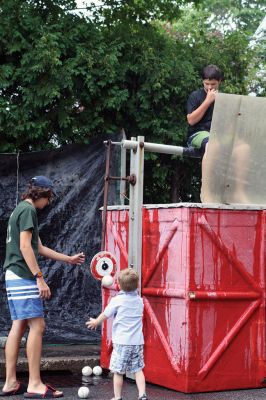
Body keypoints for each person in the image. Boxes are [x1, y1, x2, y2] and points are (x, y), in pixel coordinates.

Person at [0, 176, 85, 399]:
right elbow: (26, 246)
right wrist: (39, 277)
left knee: (18, 325)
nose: (48, 204)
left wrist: (68, 259)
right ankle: (35, 383)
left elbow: (39, 247)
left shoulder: (19, 210)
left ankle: (10, 382)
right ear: (41, 194)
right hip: (22, 274)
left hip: (13, 274)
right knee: (38, 326)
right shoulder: (28, 211)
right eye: (48, 198)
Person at [86, 268, 147, 400]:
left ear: (119, 284)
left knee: (118, 372)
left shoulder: (117, 300)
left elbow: (106, 314)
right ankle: (142, 395)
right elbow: (128, 291)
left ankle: (117, 397)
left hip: (121, 343)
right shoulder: (139, 301)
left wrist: (96, 321)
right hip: (137, 342)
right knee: (138, 369)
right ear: (137, 285)